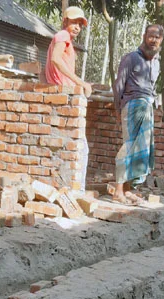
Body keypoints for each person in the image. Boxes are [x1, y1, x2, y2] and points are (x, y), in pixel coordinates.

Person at [111, 24, 164, 205]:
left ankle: (128, 190)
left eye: (157, 37)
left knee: (141, 149)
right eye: (151, 36)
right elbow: (119, 85)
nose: (154, 40)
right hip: (132, 105)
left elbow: (153, 88)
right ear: (144, 36)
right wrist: (118, 109)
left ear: (161, 40)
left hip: (147, 107)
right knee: (129, 145)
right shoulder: (131, 58)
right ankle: (118, 191)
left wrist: (156, 104)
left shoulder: (157, 62)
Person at [45, 6, 93, 191]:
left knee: (70, 147)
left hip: (61, 95)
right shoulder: (62, 36)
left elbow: (49, 65)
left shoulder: (63, 39)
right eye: (74, 22)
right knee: (80, 148)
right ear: (65, 21)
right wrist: (80, 82)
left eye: (80, 24)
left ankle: (70, 190)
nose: (77, 27)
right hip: (65, 96)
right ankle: (77, 191)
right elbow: (56, 59)